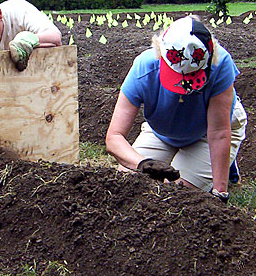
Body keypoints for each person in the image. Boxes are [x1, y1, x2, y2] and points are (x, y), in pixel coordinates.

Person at [105, 16, 247, 203]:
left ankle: (224, 164)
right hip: (162, 130)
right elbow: (114, 137)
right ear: (159, 53)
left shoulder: (220, 64)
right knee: (128, 181)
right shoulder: (144, 66)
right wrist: (143, 164)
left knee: (176, 195)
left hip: (207, 132)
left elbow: (219, 132)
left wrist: (220, 192)